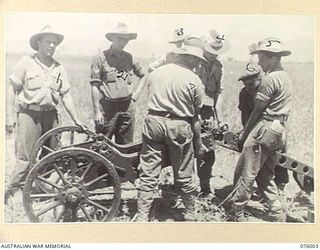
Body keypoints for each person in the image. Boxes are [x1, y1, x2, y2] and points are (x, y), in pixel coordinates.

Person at [5, 25, 82, 202]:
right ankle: (13, 193)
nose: (52, 46)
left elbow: (66, 95)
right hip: (29, 116)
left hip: (51, 116)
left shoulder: (58, 68)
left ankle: (40, 189)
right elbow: (11, 88)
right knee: (25, 158)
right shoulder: (26, 63)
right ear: (38, 43)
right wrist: (9, 116)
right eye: (48, 42)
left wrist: (76, 119)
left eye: (54, 43)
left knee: (51, 155)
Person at [136, 38, 207, 222]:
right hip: (179, 126)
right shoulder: (194, 80)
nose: (198, 63)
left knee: (149, 173)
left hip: (154, 122)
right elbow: (195, 117)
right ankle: (190, 213)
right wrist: (198, 144)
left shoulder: (157, 73)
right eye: (197, 60)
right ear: (192, 59)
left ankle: (143, 216)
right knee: (183, 172)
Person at [230, 38, 292, 222]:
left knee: (246, 172)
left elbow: (257, 111)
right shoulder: (285, 77)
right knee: (265, 175)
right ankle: (277, 211)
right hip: (278, 130)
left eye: (262, 58)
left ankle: (237, 212)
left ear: (273, 58)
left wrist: (244, 134)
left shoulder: (269, 79)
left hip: (265, 128)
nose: (260, 62)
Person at [90, 23, 145, 144]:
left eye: (126, 40)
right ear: (112, 38)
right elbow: (95, 85)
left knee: (126, 146)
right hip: (107, 107)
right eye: (120, 39)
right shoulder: (100, 58)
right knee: (101, 144)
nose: (123, 42)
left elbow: (143, 76)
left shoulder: (130, 58)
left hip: (127, 108)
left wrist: (136, 96)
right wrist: (97, 111)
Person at [237, 68, 289, 192]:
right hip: (255, 129)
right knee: (252, 162)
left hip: (271, 128)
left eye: (251, 84)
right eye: (245, 84)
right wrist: (246, 133)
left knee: (278, 158)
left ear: (260, 80)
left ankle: (281, 189)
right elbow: (246, 115)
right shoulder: (244, 93)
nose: (248, 88)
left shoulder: (267, 90)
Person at [196, 29, 230, 197]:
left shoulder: (219, 67)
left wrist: (221, 120)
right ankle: (181, 187)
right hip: (189, 111)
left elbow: (218, 95)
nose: (214, 55)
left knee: (207, 152)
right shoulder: (194, 62)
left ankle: (204, 188)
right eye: (211, 51)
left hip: (207, 112)